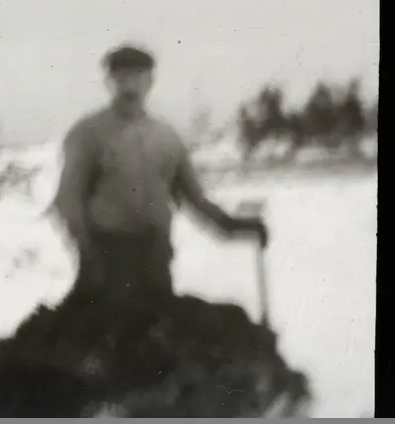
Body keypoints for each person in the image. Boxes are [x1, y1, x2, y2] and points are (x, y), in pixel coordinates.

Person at [52, 44, 269, 302]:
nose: (129, 87)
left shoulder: (166, 137)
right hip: (108, 263)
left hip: (155, 260)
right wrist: (88, 253)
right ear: (109, 82)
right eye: (121, 79)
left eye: (137, 77)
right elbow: (68, 200)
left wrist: (233, 226)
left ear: (150, 81)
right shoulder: (89, 133)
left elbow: (195, 200)